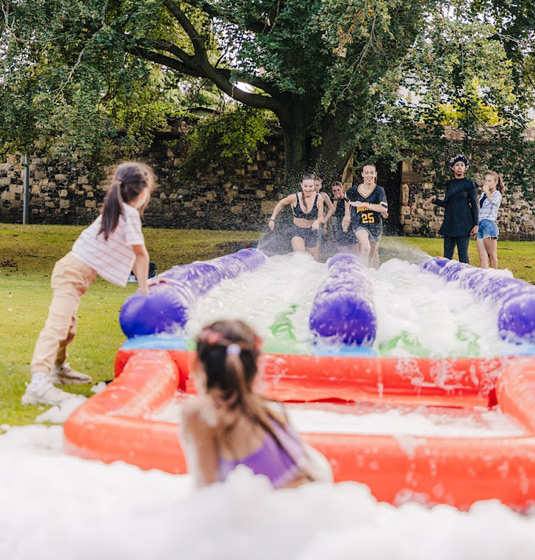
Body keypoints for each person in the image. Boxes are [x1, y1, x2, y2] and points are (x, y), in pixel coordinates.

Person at [22, 162, 156, 406]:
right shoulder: (128, 214)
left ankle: (58, 369)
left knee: (68, 330)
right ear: (143, 191)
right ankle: (38, 384)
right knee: (57, 327)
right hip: (71, 274)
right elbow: (140, 255)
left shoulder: (117, 210)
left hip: (73, 274)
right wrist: (145, 291)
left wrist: (145, 284)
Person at [180, 320, 331, 488]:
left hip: (282, 502)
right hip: (313, 496)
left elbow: (206, 489)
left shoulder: (200, 412)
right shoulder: (269, 409)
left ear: (196, 364)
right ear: (255, 367)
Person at [423, 155, 479, 263]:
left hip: (464, 223)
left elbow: (474, 205)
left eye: (462, 165)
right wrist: (434, 199)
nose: (459, 167)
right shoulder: (450, 184)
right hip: (450, 222)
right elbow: (447, 204)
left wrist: (476, 224)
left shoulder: (470, 184)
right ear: (453, 168)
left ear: (465, 168)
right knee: (447, 255)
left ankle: (465, 273)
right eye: (457, 165)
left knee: (463, 254)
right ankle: (447, 273)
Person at [268, 172, 324, 256]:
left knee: (310, 259)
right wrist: (272, 219)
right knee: (300, 255)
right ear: (301, 185)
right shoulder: (294, 197)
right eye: (305, 186)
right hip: (297, 231)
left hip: (312, 232)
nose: (308, 189)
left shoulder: (318, 198)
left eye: (310, 186)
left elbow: (321, 217)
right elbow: (281, 203)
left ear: (314, 186)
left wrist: (317, 222)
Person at [343, 163, 388, 267]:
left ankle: (372, 273)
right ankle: (362, 271)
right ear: (362, 174)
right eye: (366, 173)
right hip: (359, 223)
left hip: (375, 225)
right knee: (365, 247)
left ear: (375, 174)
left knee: (372, 255)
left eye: (371, 173)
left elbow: (383, 208)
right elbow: (346, 198)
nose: (369, 175)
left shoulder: (379, 190)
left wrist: (364, 204)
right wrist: (347, 214)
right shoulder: (354, 190)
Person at [476, 170, 504, 269]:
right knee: (482, 256)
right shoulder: (483, 195)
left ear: (495, 182)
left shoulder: (497, 194)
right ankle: (485, 275)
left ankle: (494, 275)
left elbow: (493, 201)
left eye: (489, 181)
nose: (487, 183)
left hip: (489, 225)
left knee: (492, 255)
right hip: (481, 224)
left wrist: (487, 191)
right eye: (486, 181)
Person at [324, 181, 358, 252]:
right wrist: (336, 200)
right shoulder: (333, 200)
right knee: (342, 247)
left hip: (350, 224)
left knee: (354, 246)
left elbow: (349, 210)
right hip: (338, 224)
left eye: (338, 190)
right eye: (334, 191)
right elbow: (333, 212)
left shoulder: (347, 198)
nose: (337, 192)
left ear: (342, 188)